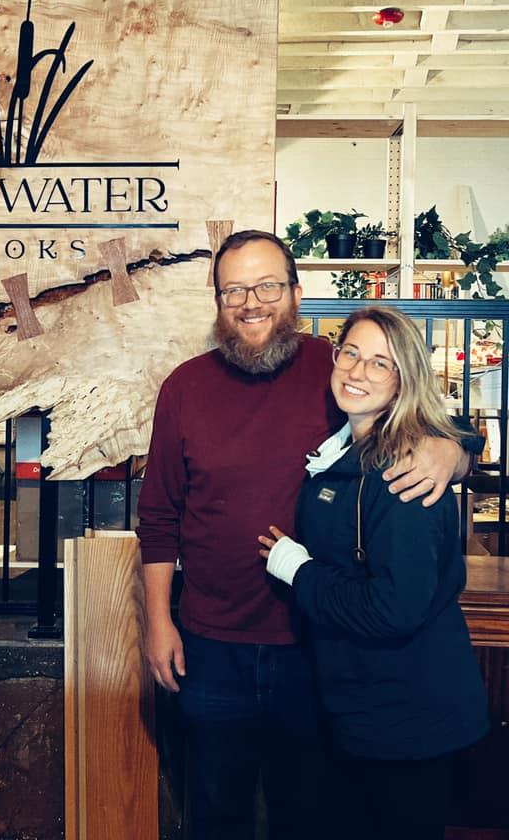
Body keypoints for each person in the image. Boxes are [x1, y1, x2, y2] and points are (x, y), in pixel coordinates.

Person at [136, 230, 475, 840]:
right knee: (216, 812)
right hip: (211, 646)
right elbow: (158, 516)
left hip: (315, 646)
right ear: (217, 301)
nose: (251, 302)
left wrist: (451, 452)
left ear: (296, 293)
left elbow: (428, 418)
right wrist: (159, 622)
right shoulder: (183, 387)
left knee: (309, 815)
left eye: (267, 285)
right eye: (233, 289)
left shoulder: (338, 369)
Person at [259, 305, 489, 840]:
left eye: (380, 363)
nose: (358, 371)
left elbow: (394, 609)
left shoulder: (403, 474)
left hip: (407, 720)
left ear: (404, 377)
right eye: (351, 354)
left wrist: (300, 570)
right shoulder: (348, 447)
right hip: (363, 709)